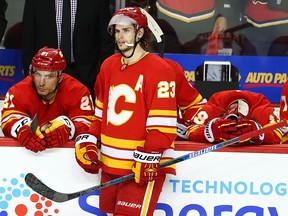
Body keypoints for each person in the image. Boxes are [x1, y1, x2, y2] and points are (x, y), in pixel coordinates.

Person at [74, 7, 177, 215]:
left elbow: (163, 127)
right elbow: (101, 116)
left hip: (139, 169)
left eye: (126, 31)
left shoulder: (160, 69)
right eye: (117, 31)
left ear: (139, 33)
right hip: (110, 167)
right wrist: (89, 141)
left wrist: (148, 157)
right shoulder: (108, 66)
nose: (120, 37)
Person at [1, 46, 95, 153]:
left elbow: (88, 124)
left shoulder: (78, 92)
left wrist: (68, 128)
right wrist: (21, 129)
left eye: (48, 76)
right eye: (38, 74)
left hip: (66, 159)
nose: (41, 82)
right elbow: (8, 120)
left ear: (60, 76)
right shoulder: (18, 91)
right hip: (27, 157)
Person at [21, 0, 115, 99]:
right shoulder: (35, 2)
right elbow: (27, 39)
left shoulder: (97, 2)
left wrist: (96, 75)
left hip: (87, 78)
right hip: (46, 76)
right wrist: (33, 78)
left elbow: (107, 41)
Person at [179, 90, 283, 145]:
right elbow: (191, 129)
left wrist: (259, 132)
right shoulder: (214, 107)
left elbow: (279, 132)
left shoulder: (260, 108)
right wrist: (209, 131)